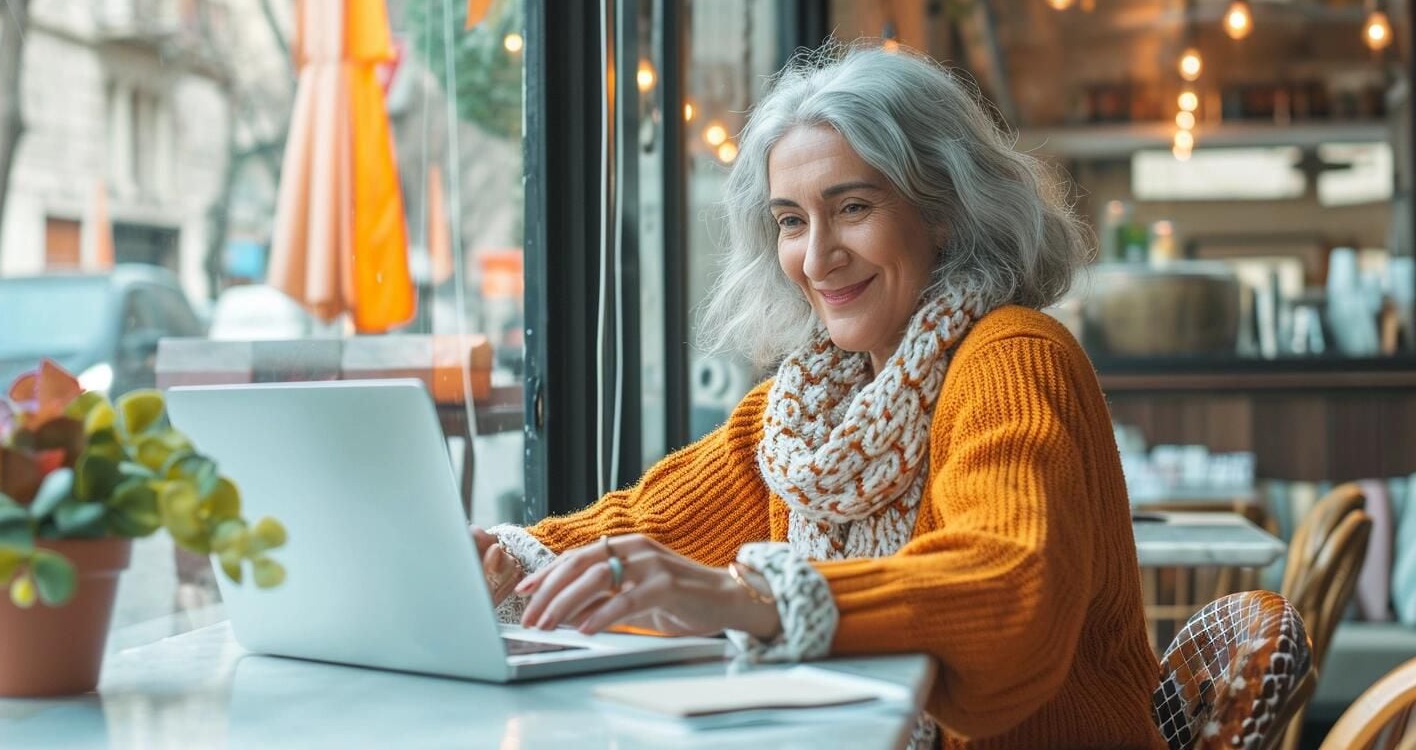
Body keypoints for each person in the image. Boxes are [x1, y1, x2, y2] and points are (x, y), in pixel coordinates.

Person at [471, 43, 1164, 749]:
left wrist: (757, 599)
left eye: (853, 206)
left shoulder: (1012, 356)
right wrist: (495, 560)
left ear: (944, 212)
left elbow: (1008, 588)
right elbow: (642, 529)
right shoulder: (806, 411)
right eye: (791, 221)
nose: (817, 255)